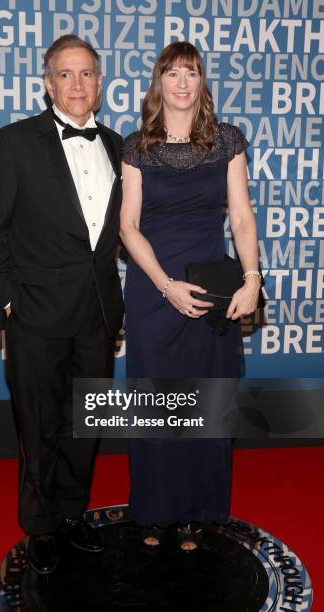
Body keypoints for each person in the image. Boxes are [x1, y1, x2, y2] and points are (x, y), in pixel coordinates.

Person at [0, 35, 124, 573]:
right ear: (47, 82)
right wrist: (7, 304)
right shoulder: (13, 142)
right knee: (38, 425)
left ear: (100, 83)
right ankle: (40, 528)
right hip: (34, 313)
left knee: (85, 422)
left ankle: (73, 514)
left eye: (87, 74)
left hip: (99, 316)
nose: (77, 84)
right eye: (66, 74)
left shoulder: (116, 145)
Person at [120, 41, 261, 551]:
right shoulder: (137, 145)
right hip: (154, 288)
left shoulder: (227, 141)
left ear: (202, 83)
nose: (182, 83)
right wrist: (163, 284)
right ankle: (155, 510)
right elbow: (128, 226)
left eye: (192, 74)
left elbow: (241, 216)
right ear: (158, 83)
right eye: (172, 73)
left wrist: (251, 279)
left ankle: (196, 512)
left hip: (210, 286)